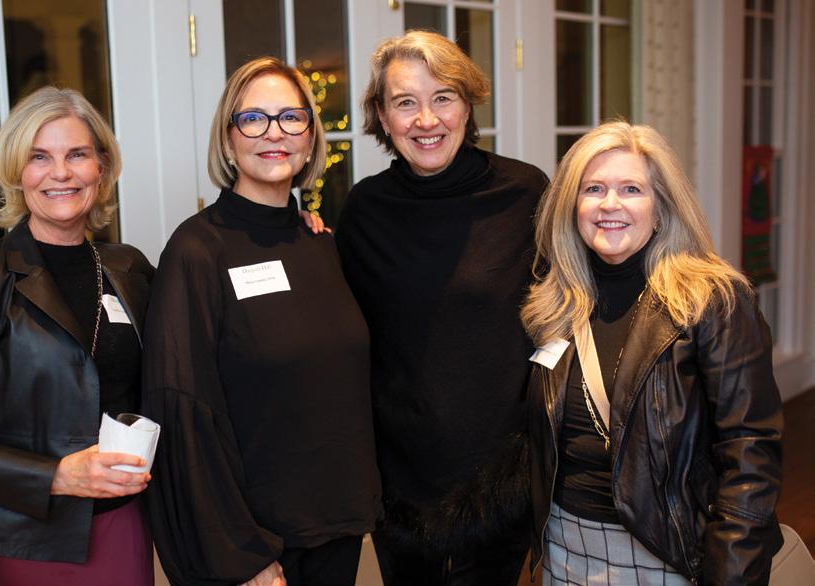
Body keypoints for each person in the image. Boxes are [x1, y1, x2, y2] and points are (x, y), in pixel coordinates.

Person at [142, 56, 381, 586]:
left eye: (291, 117)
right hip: (257, 547)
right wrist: (240, 552)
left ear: (310, 138)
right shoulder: (196, 251)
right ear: (229, 140)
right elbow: (182, 412)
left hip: (336, 525)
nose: (274, 132)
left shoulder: (320, 243)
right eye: (253, 118)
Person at [0, 87, 155, 585]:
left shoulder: (129, 269)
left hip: (122, 524)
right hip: (19, 538)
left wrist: (288, 221)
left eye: (77, 154)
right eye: (39, 157)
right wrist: (58, 475)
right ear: (16, 172)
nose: (60, 173)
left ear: (102, 167)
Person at [522, 120, 783, 584]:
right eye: (593, 189)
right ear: (572, 207)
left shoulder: (712, 301)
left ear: (661, 207)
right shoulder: (556, 303)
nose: (610, 204)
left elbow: (751, 448)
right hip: (563, 546)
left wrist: (733, 570)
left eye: (631, 189)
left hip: (666, 551)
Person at [334, 30, 549, 585]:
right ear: (382, 117)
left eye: (443, 97)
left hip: (501, 478)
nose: (426, 120)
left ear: (468, 104)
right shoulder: (364, 210)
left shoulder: (525, 193)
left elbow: (566, 312)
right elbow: (338, 329)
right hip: (400, 481)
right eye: (405, 102)